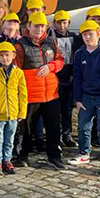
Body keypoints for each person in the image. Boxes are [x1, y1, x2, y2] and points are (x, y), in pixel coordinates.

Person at [14, 12, 65, 170]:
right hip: (31, 95)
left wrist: (50, 67)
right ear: (28, 26)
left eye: (42, 25)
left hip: (51, 95)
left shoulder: (51, 42)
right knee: (27, 129)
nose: (39, 28)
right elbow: (16, 70)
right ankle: (23, 156)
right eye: (36, 25)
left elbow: (60, 60)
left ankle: (54, 157)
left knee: (54, 127)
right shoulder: (20, 45)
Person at [68, 20, 100, 176]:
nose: (88, 37)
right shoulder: (79, 54)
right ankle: (84, 153)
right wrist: (78, 99)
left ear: (98, 34)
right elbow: (77, 78)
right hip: (86, 97)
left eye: (90, 34)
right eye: (84, 34)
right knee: (83, 127)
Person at [0, 41, 27, 176]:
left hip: (13, 113)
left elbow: (22, 94)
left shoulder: (18, 73)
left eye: (7, 55)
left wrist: (22, 112)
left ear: (13, 55)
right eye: (2, 55)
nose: (5, 58)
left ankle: (7, 160)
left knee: (9, 139)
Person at [52, 10, 77, 148]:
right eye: (59, 22)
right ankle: (58, 135)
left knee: (67, 109)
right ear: (54, 23)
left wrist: (73, 73)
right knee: (56, 109)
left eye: (64, 22)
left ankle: (67, 134)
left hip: (69, 76)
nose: (62, 25)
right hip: (56, 76)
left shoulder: (73, 36)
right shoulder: (51, 37)